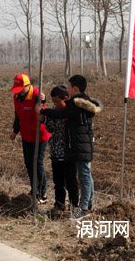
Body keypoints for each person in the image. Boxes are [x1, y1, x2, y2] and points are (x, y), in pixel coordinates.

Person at [37, 75, 102, 219]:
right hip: (81, 144)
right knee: (85, 175)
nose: (69, 90)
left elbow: (61, 114)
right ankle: (87, 204)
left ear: (75, 88)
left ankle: (83, 208)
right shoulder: (84, 104)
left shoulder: (76, 104)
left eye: (70, 87)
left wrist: (43, 110)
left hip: (79, 145)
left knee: (83, 176)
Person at [9, 73, 51, 203]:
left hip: (40, 135)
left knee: (37, 163)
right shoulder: (16, 97)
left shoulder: (37, 95)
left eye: (21, 88)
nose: (19, 91)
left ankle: (42, 193)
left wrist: (43, 100)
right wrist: (15, 131)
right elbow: (18, 115)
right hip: (26, 134)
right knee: (28, 163)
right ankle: (34, 189)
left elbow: (43, 107)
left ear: (28, 86)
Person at [43, 85, 76, 213]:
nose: (55, 104)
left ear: (65, 98)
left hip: (68, 153)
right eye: (54, 102)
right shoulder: (53, 111)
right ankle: (59, 205)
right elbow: (50, 128)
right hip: (56, 152)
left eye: (57, 101)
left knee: (71, 183)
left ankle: (74, 208)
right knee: (58, 182)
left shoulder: (71, 111)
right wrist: (44, 120)